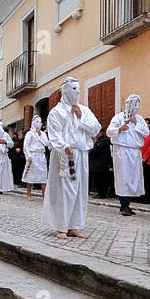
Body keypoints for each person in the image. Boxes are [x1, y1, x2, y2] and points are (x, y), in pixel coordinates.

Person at [42, 77, 101, 239]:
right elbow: (54, 133)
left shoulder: (84, 110)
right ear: (65, 91)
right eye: (73, 89)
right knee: (64, 189)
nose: (77, 92)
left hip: (81, 154)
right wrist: (63, 146)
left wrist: (81, 118)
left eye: (78, 89)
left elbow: (96, 128)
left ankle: (74, 225)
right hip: (65, 156)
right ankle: (61, 226)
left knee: (80, 190)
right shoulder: (57, 112)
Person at [109, 94, 149, 215]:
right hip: (122, 151)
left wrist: (136, 123)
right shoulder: (118, 117)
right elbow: (109, 131)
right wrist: (120, 129)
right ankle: (124, 205)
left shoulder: (140, 119)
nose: (134, 106)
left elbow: (146, 133)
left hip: (135, 152)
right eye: (132, 103)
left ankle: (127, 204)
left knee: (133, 178)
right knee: (123, 178)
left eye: (137, 103)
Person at [21, 115, 50, 199]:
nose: (38, 124)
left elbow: (47, 144)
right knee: (31, 175)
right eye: (36, 122)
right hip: (33, 155)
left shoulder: (43, 134)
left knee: (43, 175)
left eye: (39, 122)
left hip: (41, 156)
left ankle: (44, 195)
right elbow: (26, 145)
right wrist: (28, 156)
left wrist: (40, 135)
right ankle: (28, 194)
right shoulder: (29, 133)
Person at [89, 129, 112, 199]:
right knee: (97, 180)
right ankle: (100, 193)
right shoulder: (97, 140)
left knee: (101, 180)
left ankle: (102, 194)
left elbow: (96, 150)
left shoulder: (104, 141)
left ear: (101, 133)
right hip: (96, 164)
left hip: (101, 164)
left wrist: (89, 150)